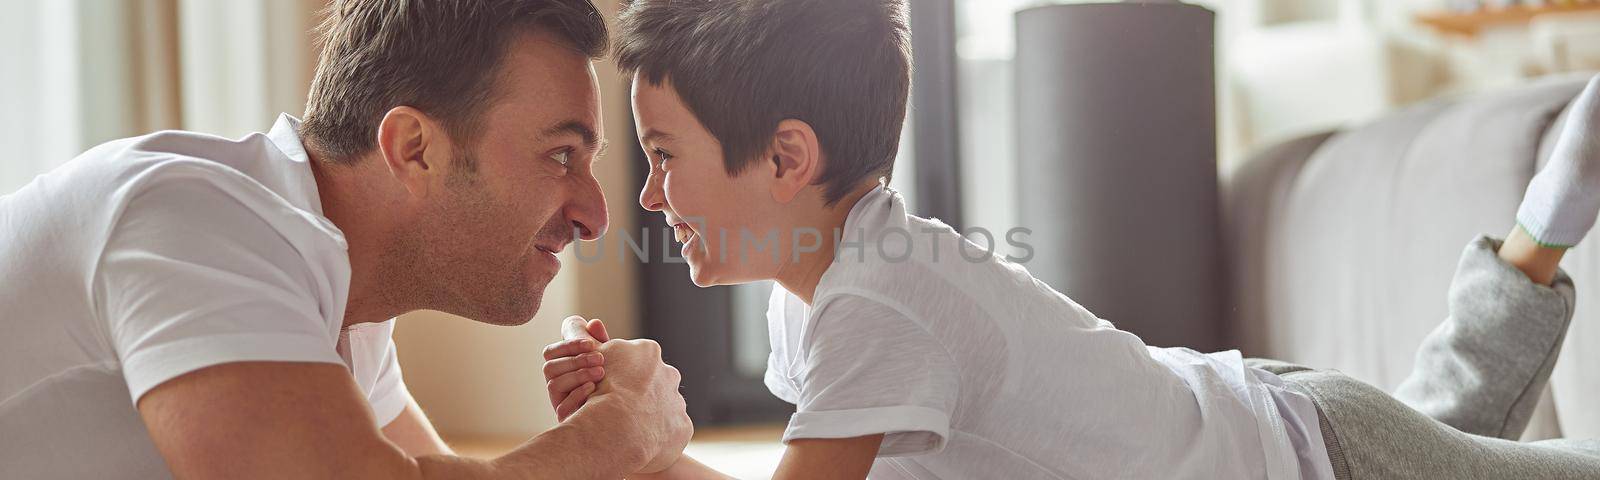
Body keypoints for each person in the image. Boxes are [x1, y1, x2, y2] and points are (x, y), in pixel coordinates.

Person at [541, 0, 1600, 477]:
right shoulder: (826, 291)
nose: (646, 198)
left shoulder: (873, 305)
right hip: (1287, 426)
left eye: (664, 156)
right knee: (1445, 424)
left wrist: (639, 433)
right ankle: (1542, 227)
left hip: (1307, 458)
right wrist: (635, 440)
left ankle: (1546, 221)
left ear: (784, 158)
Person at [0, 1, 693, 478]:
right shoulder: (194, 220)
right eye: (561, 156)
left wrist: (633, 444)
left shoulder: (342, 303)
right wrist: (618, 429)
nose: (597, 216)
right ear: (414, 148)